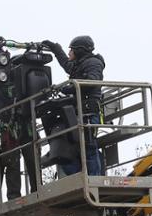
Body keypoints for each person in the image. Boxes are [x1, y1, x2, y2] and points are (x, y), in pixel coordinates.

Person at [42, 36, 106, 175]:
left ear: (80, 51)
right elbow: (66, 63)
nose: (69, 53)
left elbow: (91, 81)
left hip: (89, 113)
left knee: (89, 147)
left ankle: (93, 179)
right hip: (78, 112)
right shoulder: (79, 64)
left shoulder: (94, 63)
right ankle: (79, 176)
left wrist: (68, 88)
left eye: (72, 50)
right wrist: (56, 49)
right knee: (68, 147)